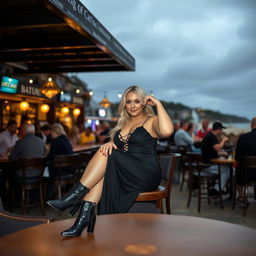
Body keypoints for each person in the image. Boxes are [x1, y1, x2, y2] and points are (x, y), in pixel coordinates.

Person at [47, 85, 174, 237]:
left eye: (137, 101)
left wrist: (158, 104)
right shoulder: (123, 124)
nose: (132, 105)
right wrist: (109, 143)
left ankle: (72, 198)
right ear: (124, 104)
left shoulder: (151, 120)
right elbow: (117, 151)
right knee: (104, 158)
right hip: (126, 170)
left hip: (146, 172)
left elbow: (167, 131)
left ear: (144, 103)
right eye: (128, 102)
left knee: (108, 155)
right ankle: (82, 219)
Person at [201, 121, 230, 194]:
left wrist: (221, 153)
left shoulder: (210, 135)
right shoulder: (211, 136)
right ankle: (216, 190)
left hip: (207, 164)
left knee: (229, 169)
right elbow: (218, 148)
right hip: (207, 166)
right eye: (221, 129)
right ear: (218, 129)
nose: (222, 131)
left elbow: (212, 150)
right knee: (228, 169)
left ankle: (220, 188)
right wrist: (223, 140)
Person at [235, 117, 256, 204]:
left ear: (251, 125)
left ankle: (241, 197)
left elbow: (237, 158)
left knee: (237, 171)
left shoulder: (243, 137)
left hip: (246, 174)